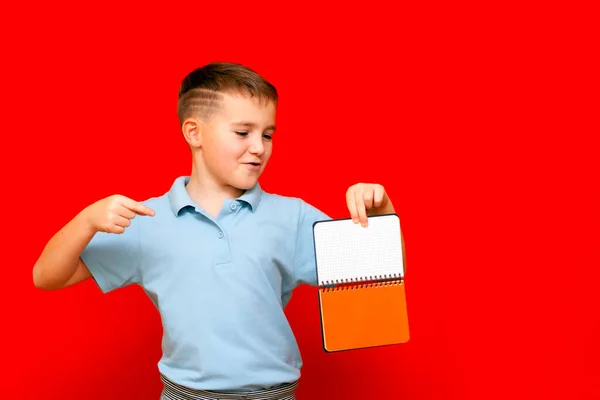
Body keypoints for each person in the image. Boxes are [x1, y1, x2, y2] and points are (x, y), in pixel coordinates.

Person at [33, 62, 404, 400]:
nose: (259, 148)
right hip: (186, 395)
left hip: (273, 395)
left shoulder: (291, 217)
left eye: (269, 135)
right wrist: (85, 220)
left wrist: (381, 211)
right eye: (243, 132)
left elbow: (383, 275)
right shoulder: (147, 220)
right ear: (194, 132)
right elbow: (46, 277)